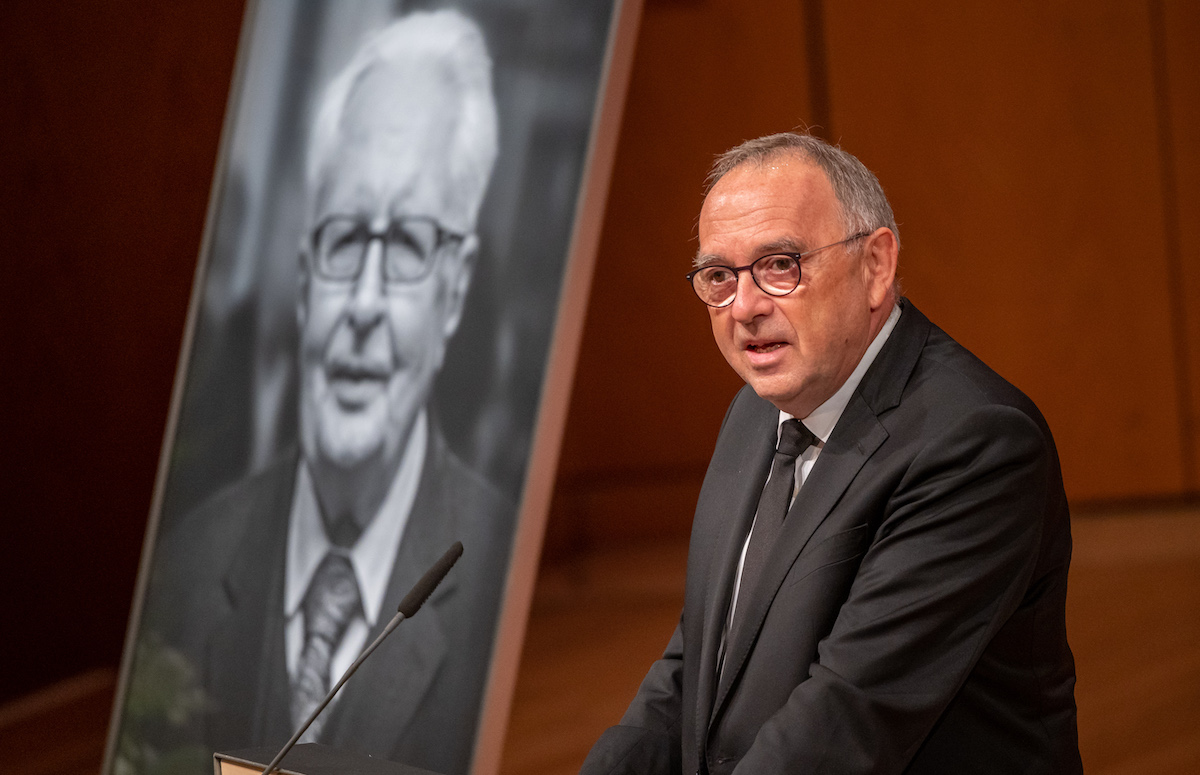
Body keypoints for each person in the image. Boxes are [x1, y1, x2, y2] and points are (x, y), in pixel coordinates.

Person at [581, 133, 1082, 774]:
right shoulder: (756, 413)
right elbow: (698, 663)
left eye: (780, 265)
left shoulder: (975, 443)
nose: (746, 308)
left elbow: (847, 720)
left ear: (876, 266)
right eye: (718, 277)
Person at [131, 11, 511, 775]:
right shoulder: (184, 566)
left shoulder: (505, 584)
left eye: (406, 243)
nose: (363, 303)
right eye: (343, 239)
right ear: (305, 280)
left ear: (455, 291)